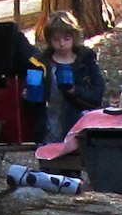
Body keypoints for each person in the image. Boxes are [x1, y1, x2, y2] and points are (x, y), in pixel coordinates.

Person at [38, 10, 104, 143]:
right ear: (50, 40)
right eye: (56, 39)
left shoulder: (85, 61)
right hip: (49, 127)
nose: (62, 44)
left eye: (66, 38)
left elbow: (97, 94)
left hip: (79, 128)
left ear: (74, 37)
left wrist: (75, 91)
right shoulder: (42, 64)